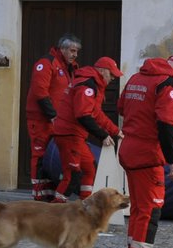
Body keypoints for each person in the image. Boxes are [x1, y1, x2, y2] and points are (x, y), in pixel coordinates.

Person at [117, 53, 173, 248]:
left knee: (139, 210)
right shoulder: (167, 85)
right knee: (150, 211)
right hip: (148, 156)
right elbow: (167, 125)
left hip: (129, 149)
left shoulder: (137, 78)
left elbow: (121, 108)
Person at [50, 56, 121, 202]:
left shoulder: (93, 84)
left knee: (89, 169)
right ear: (102, 71)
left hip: (75, 136)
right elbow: (83, 115)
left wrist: (116, 131)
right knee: (72, 175)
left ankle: (85, 207)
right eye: (112, 74)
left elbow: (97, 114)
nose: (113, 78)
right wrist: (103, 135)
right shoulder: (88, 86)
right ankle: (55, 210)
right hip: (69, 135)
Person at [24, 33, 80, 201]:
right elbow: (40, 91)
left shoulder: (69, 68)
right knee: (40, 155)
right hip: (42, 120)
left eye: (77, 51)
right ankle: (40, 196)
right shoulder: (46, 63)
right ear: (62, 49)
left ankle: (50, 192)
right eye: (72, 50)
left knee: (54, 156)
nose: (75, 55)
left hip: (59, 121)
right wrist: (53, 116)